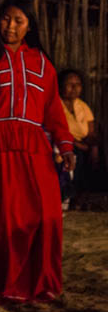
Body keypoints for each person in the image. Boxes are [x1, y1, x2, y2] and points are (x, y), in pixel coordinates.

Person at [0, 0, 75, 301]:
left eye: (19, 20)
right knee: (1, 218)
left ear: (30, 26)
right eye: (6, 18)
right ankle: (2, 284)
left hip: (34, 149)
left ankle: (41, 282)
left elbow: (53, 111)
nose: (11, 26)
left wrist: (65, 146)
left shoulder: (42, 62)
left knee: (45, 214)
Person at [57, 69, 99, 209]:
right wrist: (78, 145)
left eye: (78, 84)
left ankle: (82, 198)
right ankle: (69, 197)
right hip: (63, 145)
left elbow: (91, 132)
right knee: (75, 155)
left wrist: (94, 147)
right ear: (61, 86)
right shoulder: (56, 104)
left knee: (94, 157)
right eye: (70, 84)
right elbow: (56, 131)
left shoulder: (82, 106)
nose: (74, 88)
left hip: (83, 145)